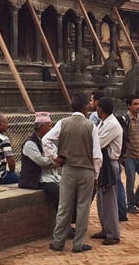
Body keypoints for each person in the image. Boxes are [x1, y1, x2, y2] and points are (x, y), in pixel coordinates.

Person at [43, 93, 102, 253]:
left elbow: (46, 140)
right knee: (83, 207)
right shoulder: (91, 126)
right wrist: (96, 175)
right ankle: (78, 244)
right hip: (86, 170)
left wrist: (55, 156)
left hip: (68, 169)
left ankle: (58, 242)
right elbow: (97, 155)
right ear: (84, 108)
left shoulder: (63, 123)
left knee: (64, 206)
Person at [92, 97, 122, 245]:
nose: (95, 109)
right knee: (101, 199)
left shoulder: (112, 125)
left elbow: (98, 143)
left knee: (109, 200)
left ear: (101, 109)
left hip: (110, 163)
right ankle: (105, 229)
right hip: (103, 163)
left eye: (97, 107)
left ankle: (113, 234)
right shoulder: (103, 123)